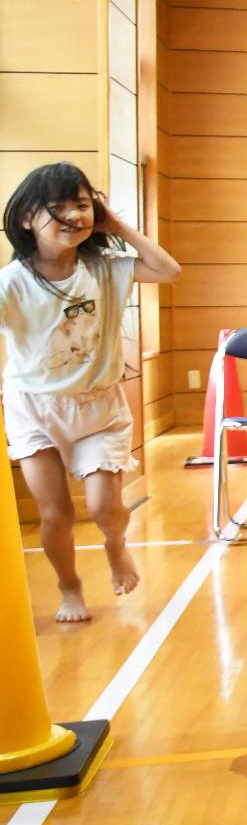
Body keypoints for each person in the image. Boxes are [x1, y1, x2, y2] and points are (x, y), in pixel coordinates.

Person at [1, 163, 179, 623]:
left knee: (104, 508)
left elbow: (168, 269)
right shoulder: (14, 282)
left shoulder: (103, 269)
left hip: (98, 404)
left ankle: (116, 545)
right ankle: (69, 587)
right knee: (54, 512)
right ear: (25, 219)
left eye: (81, 205)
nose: (71, 217)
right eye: (56, 209)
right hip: (34, 408)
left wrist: (116, 225)